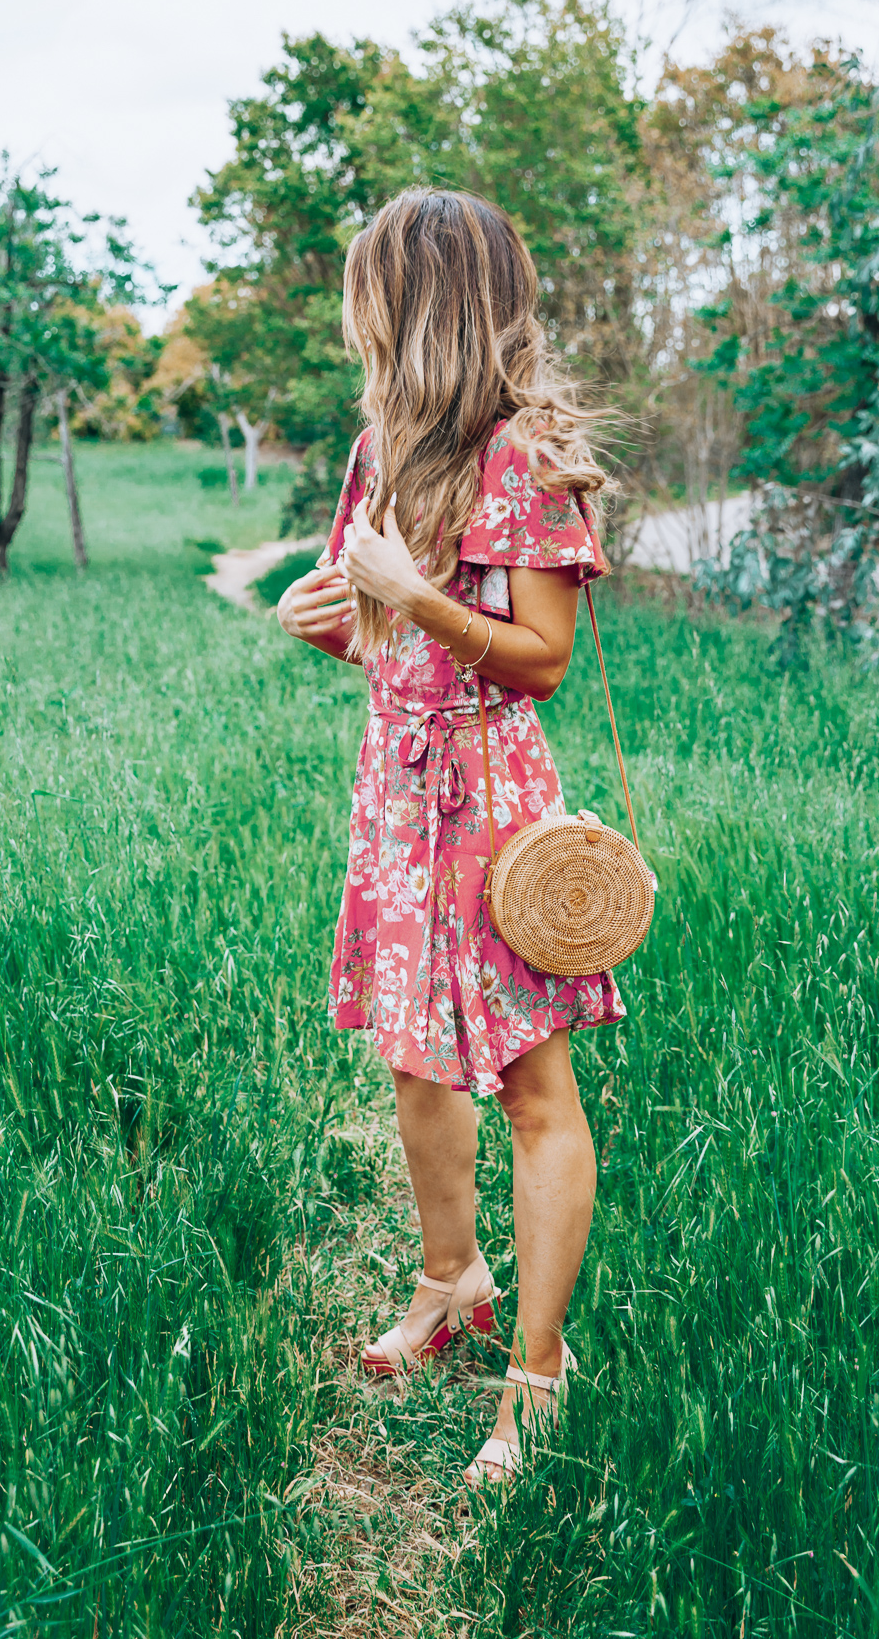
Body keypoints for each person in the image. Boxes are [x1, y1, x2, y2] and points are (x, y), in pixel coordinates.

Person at [277, 188, 623, 1486]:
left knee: (533, 1089)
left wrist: (413, 597)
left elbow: (539, 661)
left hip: (492, 794)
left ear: (419, 299)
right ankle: (449, 1276)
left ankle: (535, 1374)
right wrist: (329, 626)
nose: (352, 308)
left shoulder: (516, 454)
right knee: (414, 1061)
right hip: (397, 785)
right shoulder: (381, 449)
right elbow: (380, 633)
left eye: (368, 284)